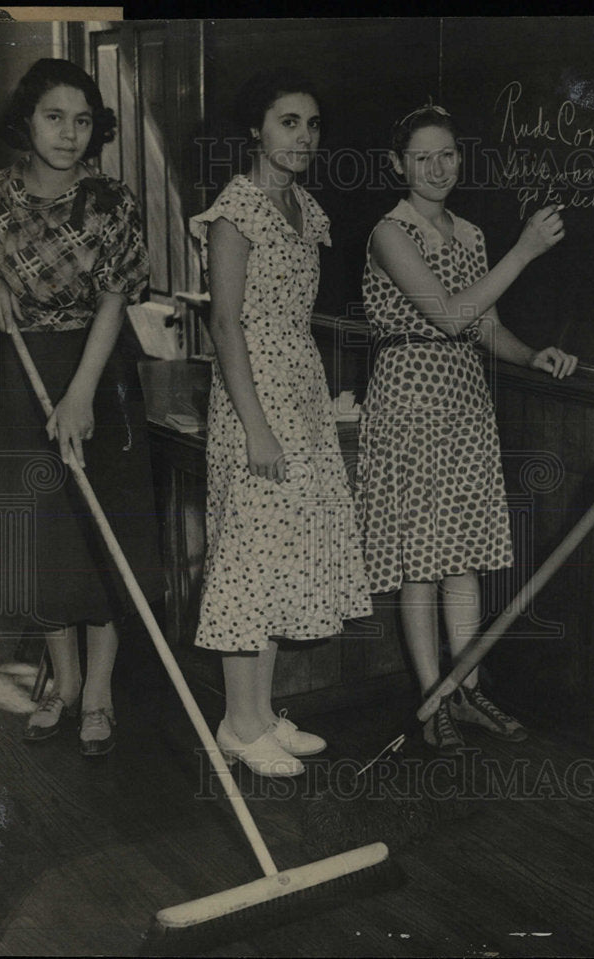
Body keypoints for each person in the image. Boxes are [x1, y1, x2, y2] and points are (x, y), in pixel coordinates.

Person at [0, 58, 160, 756]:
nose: (70, 134)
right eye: (54, 117)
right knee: (43, 540)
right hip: (20, 375)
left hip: (98, 374)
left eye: (83, 120)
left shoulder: (112, 201)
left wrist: (80, 395)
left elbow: (115, 299)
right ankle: (62, 684)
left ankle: (98, 690)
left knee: (104, 539)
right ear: (26, 121)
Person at [356, 103, 579, 755]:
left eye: (447, 153)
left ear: (460, 156)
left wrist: (528, 352)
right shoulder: (389, 233)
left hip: (465, 402)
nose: (436, 167)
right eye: (421, 156)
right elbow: (450, 316)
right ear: (400, 165)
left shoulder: (473, 234)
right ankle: (432, 699)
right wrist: (527, 250)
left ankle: (467, 686)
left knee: (465, 557)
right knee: (421, 562)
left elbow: (483, 327)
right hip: (410, 401)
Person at [189, 70, 372, 778]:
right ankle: (236, 723)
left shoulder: (303, 207)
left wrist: (305, 409)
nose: (303, 136)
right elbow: (227, 323)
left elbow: (291, 320)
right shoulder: (238, 208)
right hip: (251, 396)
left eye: (313, 123)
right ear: (257, 132)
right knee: (247, 554)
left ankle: (261, 714)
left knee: (280, 552)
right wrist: (256, 426)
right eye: (288, 122)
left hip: (297, 388)